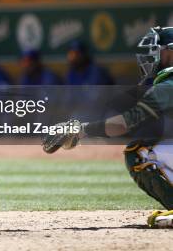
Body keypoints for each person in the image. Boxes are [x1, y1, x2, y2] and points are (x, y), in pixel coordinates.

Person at [43, 26, 173, 228]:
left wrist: (80, 129)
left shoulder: (168, 85)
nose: (152, 55)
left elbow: (123, 124)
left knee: (137, 152)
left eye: (158, 50)